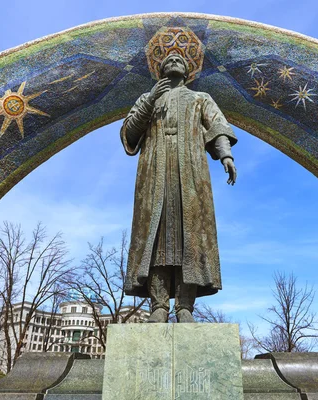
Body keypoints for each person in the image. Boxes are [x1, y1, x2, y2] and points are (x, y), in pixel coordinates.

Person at [121, 53, 237, 323]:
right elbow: (129, 134)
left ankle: (185, 306)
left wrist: (226, 154)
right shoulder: (146, 99)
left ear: (187, 71)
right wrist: (150, 99)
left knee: (191, 234)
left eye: (179, 59)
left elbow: (217, 126)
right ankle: (159, 305)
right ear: (160, 70)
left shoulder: (200, 98)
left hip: (191, 172)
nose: (174, 59)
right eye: (168, 59)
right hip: (154, 173)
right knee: (157, 233)